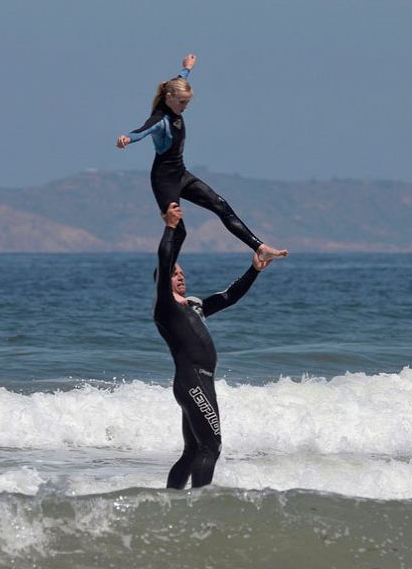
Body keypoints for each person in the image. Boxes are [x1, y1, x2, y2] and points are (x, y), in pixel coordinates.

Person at [117, 53, 288, 265]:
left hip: (181, 174)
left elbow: (179, 82)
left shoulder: (172, 94)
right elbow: (141, 131)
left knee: (220, 205)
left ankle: (260, 248)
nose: (185, 107)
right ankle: (165, 276)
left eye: (187, 103)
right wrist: (127, 138)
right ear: (170, 98)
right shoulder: (159, 119)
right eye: (182, 103)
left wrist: (186, 68)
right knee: (178, 231)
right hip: (164, 180)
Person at [154, 202, 271, 488]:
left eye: (182, 272)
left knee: (193, 450)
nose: (180, 275)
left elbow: (229, 296)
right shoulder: (166, 306)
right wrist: (170, 228)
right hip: (192, 380)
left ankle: (173, 502)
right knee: (212, 446)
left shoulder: (194, 305)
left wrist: (254, 269)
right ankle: (200, 505)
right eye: (174, 272)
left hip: (200, 382)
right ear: (162, 278)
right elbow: (165, 257)